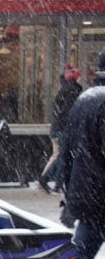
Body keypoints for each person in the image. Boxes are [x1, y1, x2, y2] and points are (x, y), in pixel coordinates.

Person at [18, 48, 105, 259]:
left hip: (89, 195)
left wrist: (69, 190)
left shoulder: (86, 99)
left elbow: (67, 151)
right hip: (100, 197)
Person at [40, 64, 83, 194]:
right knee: (62, 156)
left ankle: (57, 184)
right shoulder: (73, 91)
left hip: (57, 127)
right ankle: (48, 179)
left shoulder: (64, 90)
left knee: (60, 155)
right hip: (63, 128)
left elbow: (59, 110)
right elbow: (69, 111)